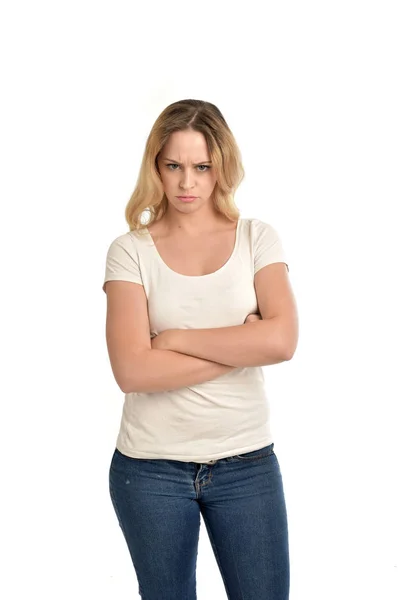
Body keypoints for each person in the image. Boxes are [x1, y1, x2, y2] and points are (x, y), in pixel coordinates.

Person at [102, 99, 299, 600]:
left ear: (221, 168)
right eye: (174, 166)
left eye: (201, 167)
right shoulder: (130, 250)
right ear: (156, 167)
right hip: (150, 470)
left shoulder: (257, 239)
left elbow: (281, 340)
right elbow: (132, 370)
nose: (187, 182)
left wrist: (174, 341)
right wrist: (241, 343)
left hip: (246, 464)